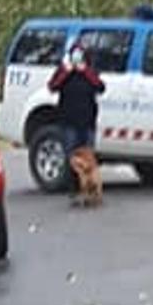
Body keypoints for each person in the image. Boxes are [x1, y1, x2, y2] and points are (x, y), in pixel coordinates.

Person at [47, 43, 106, 207]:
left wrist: (84, 71)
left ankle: (92, 192)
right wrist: (67, 71)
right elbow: (52, 86)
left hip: (87, 121)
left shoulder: (89, 71)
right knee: (72, 159)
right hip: (68, 122)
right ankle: (74, 191)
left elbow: (100, 87)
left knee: (89, 160)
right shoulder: (64, 70)